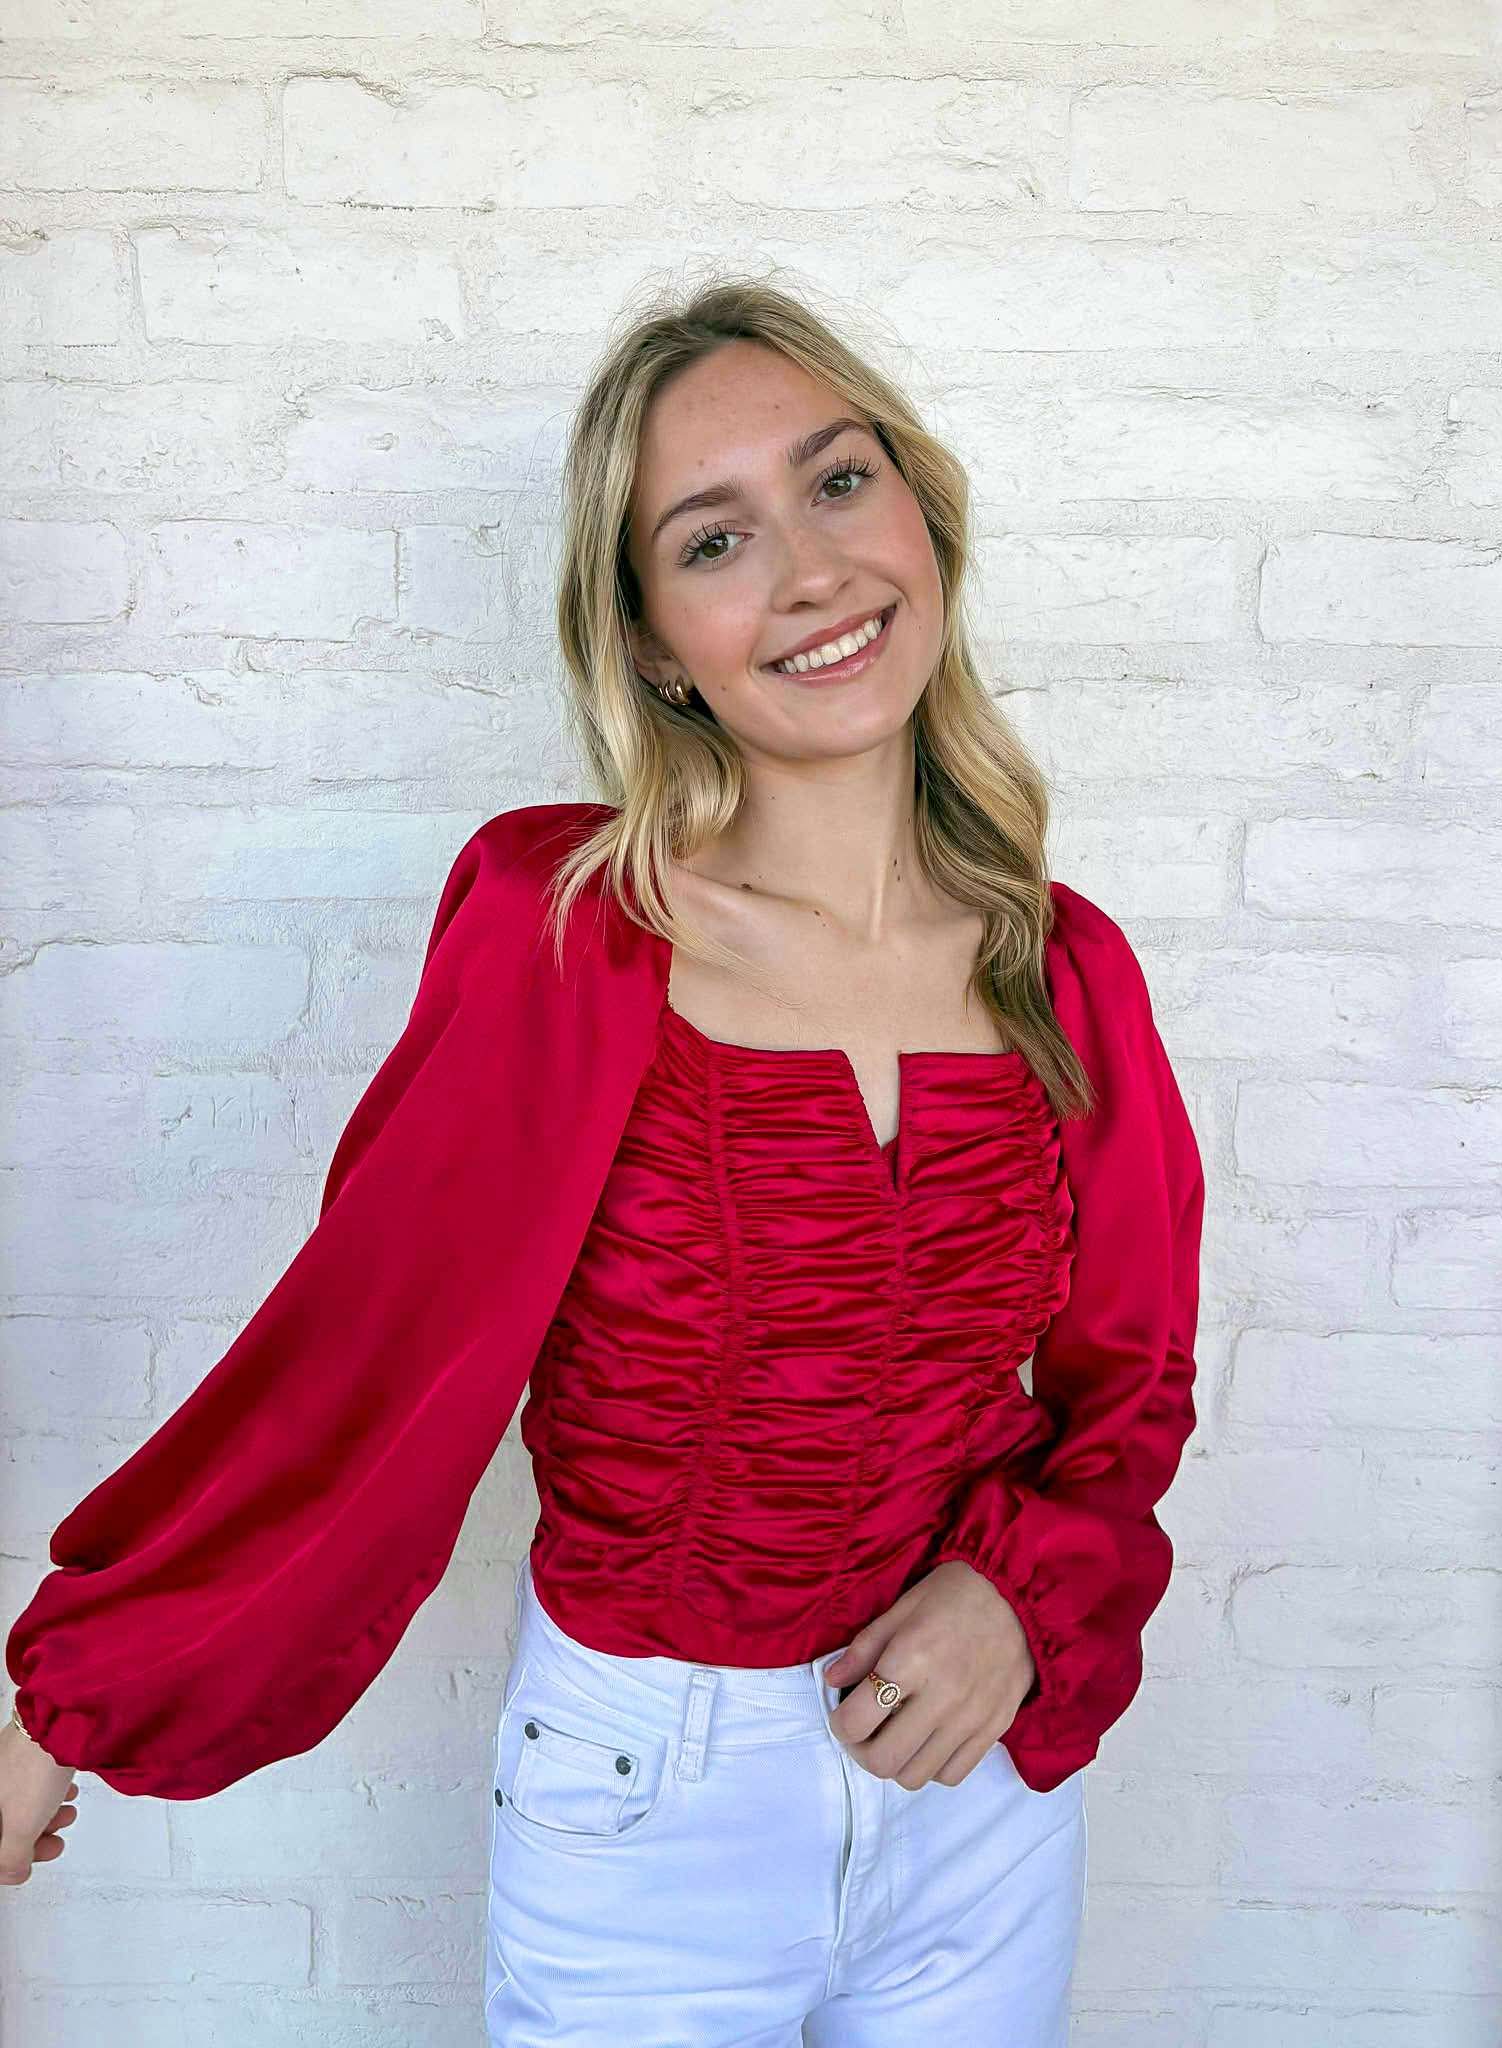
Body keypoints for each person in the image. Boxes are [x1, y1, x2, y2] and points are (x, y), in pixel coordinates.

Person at [1, 275, 1204, 2047]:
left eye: (839, 482)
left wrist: (1020, 1602)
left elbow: (1130, 1390)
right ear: (648, 640)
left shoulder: (1067, 967)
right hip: (649, 1812)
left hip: (982, 1801)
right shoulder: (566, 932)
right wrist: (72, 1700)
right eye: (715, 540)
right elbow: (364, 1357)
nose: (812, 570)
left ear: (922, 517)